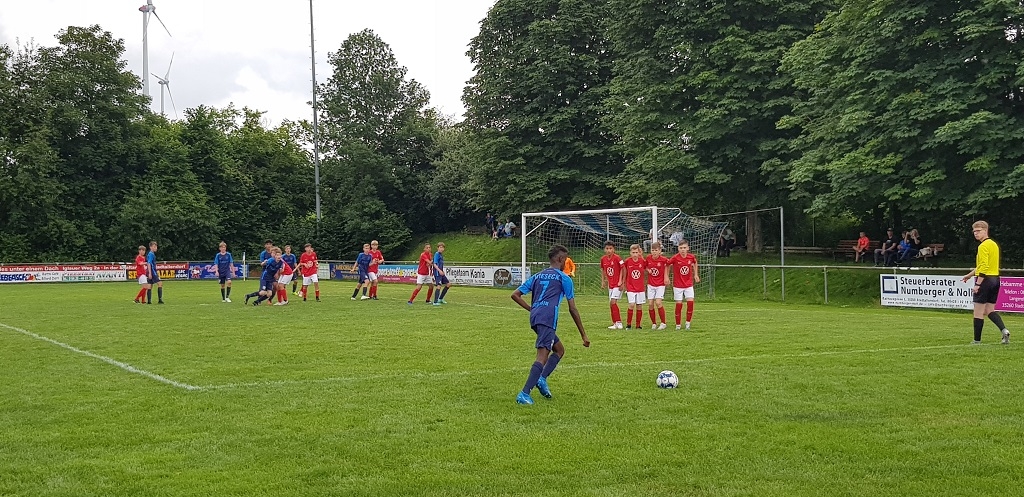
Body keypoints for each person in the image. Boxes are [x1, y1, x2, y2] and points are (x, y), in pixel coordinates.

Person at [511, 244, 590, 405]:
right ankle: (524, 393)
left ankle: (541, 379)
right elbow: (573, 309)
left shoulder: (538, 276)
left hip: (535, 318)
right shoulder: (564, 278)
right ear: (560, 259)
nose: (567, 263)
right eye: (566, 260)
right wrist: (583, 334)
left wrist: (532, 309)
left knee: (559, 350)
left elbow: (515, 295)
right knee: (542, 355)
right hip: (547, 318)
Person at [962, 221, 1010, 345]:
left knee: (978, 311)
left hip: (985, 280)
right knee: (989, 309)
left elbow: (983, 266)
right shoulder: (993, 244)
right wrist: (968, 275)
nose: (976, 234)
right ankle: (1004, 330)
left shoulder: (983, 246)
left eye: (978, 231)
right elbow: (982, 265)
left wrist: (978, 284)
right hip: (995, 279)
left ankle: (976, 340)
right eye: (974, 232)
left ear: (985, 230)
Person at [669, 240, 700, 330]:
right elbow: (667, 264)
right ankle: (678, 324)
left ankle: (688, 323)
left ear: (688, 248)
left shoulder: (691, 257)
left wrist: (695, 274)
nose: (683, 250)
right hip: (677, 285)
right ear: (678, 248)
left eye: (684, 248)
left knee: (690, 302)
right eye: (681, 248)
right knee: (679, 304)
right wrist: (666, 277)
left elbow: (695, 262)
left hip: (688, 284)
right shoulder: (675, 258)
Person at [600, 241, 626, 329]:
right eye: (607, 248)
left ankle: (619, 322)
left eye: (610, 248)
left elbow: (623, 269)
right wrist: (603, 281)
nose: (609, 250)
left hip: (617, 284)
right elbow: (603, 270)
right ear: (604, 249)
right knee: (611, 304)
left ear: (614, 249)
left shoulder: (617, 258)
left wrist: (621, 281)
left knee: (613, 301)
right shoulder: (603, 259)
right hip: (610, 284)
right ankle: (614, 323)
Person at [646, 242, 670, 330]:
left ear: (660, 251)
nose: (654, 252)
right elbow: (645, 266)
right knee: (650, 304)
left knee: (658, 302)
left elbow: (668, 265)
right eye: (653, 250)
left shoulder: (663, 259)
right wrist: (648, 270)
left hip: (660, 284)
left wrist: (666, 276)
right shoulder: (648, 258)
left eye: (656, 250)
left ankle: (663, 323)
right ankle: (654, 323)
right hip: (651, 284)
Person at [623, 244, 647, 330]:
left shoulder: (642, 261)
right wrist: (623, 283)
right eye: (633, 252)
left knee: (639, 305)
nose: (635, 254)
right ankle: (628, 324)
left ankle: (638, 325)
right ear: (630, 253)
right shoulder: (627, 261)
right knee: (632, 304)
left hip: (640, 287)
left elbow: (646, 266)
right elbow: (623, 270)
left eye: (636, 252)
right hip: (630, 286)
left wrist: (642, 255)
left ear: (639, 253)